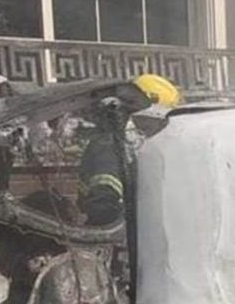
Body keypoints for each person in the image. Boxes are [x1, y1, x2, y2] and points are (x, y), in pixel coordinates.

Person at [78, 74, 182, 225]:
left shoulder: (123, 147)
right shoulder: (107, 148)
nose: (151, 134)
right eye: (148, 125)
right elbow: (103, 207)